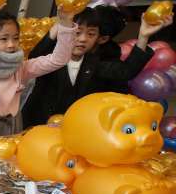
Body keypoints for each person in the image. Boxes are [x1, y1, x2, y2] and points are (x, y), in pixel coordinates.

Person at [22, 8, 170, 128]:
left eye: (91, 34)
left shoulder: (94, 63)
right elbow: (36, 55)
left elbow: (126, 71)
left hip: (73, 127)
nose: (83, 39)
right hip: (35, 124)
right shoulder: (50, 58)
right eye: (77, 32)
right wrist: (59, 23)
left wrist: (143, 36)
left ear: (99, 37)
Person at [0, 0, 77, 139]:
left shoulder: (20, 68)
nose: (11, 44)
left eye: (15, 38)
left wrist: (66, 23)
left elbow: (58, 60)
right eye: (4, 39)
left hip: (11, 128)